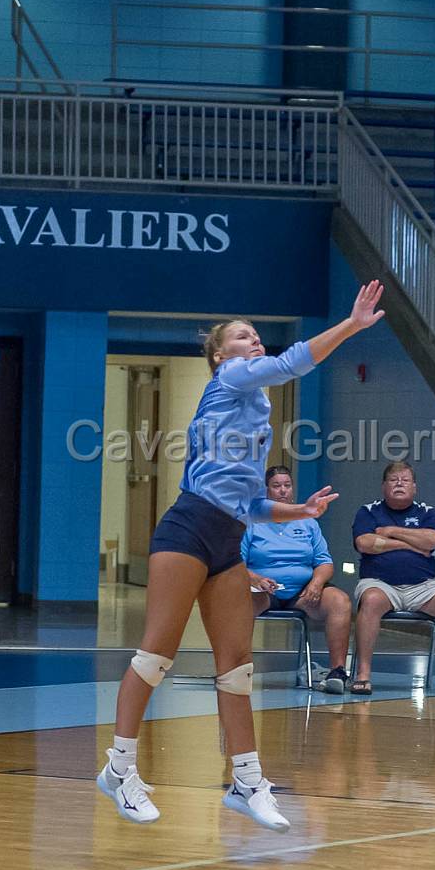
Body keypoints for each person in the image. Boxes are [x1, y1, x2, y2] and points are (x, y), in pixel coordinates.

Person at [96, 280, 386, 830]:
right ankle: (119, 768)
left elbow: (251, 503)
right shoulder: (229, 379)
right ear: (219, 354)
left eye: (256, 334)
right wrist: (352, 325)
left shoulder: (255, 413)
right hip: (187, 529)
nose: (254, 340)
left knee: (236, 669)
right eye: (242, 335)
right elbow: (296, 361)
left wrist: (300, 511)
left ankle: (247, 781)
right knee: (156, 655)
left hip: (226, 539)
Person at [350, 460, 435, 698]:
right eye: (393, 480)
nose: (399, 484)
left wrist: (390, 532)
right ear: (383, 486)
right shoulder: (368, 512)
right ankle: (363, 674)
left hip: (424, 585)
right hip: (380, 583)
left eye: (405, 480)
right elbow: (365, 544)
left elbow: (432, 541)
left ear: (414, 487)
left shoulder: (427, 513)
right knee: (371, 600)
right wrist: (411, 544)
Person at [243, 465, 352, 695]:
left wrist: (316, 583)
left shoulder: (307, 521)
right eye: (276, 486)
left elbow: (324, 562)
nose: (283, 491)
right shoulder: (251, 521)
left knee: (340, 601)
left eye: (287, 485)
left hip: (303, 592)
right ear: (266, 491)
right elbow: (235, 564)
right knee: (241, 605)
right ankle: (237, 669)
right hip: (262, 591)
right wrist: (256, 578)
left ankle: (338, 672)